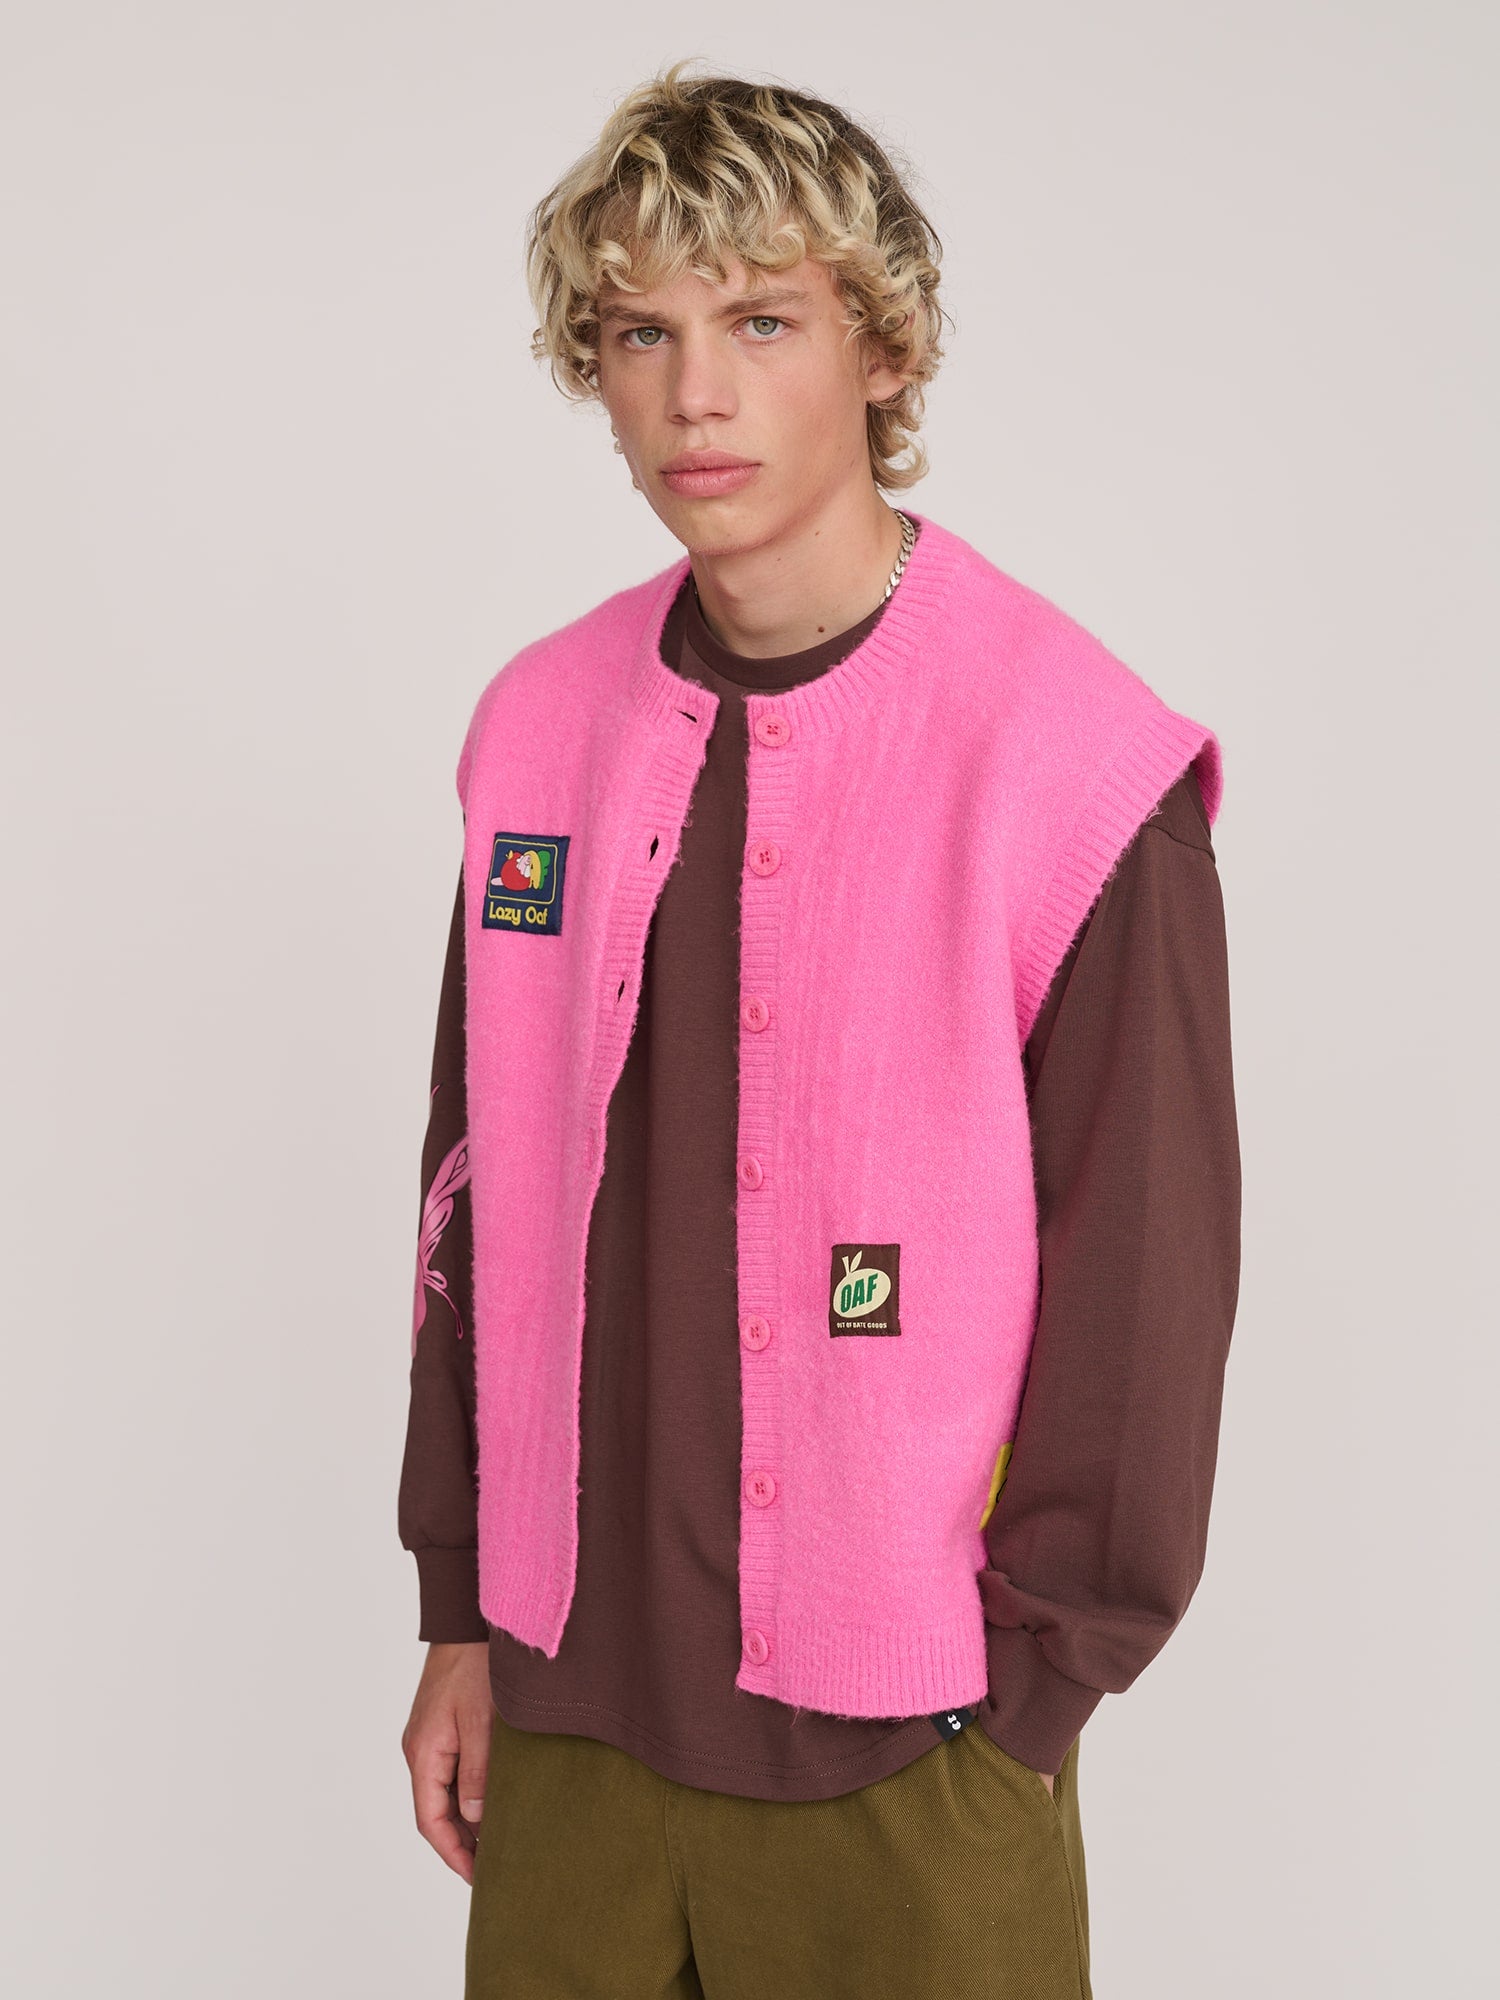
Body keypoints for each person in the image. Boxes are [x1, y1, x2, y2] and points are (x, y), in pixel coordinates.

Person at [398, 59, 1240, 2000]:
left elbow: (1147, 1275)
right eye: (642, 332)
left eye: (762, 321)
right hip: (566, 1709)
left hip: (912, 1753)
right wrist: (461, 1606)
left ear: (882, 347)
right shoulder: (538, 732)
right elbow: (469, 1185)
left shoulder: (1074, 769)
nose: (696, 394)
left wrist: (1031, 1694)